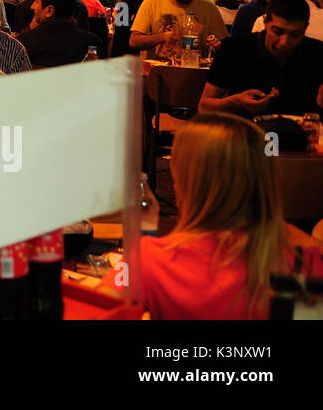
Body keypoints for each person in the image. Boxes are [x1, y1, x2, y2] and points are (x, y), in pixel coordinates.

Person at [135, 112, 323, 319]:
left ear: (185, 186)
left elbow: (102, 308)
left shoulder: (147, 262)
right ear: (266, 180)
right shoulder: (309, 262)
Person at [198, 0, 323, 117]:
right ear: (265, 22)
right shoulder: (235, 48)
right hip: (246, 133)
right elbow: (204, 107)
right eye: (277, 32)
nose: (284, 42)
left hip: (302, 134)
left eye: (295, 34)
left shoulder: (317, 53)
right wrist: (237, 101)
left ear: (305, 28)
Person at [19, 0, 97, 68]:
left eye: (36, 2)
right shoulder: (92, 44)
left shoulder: (24, 44)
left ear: (49, 11)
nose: (32, 6)